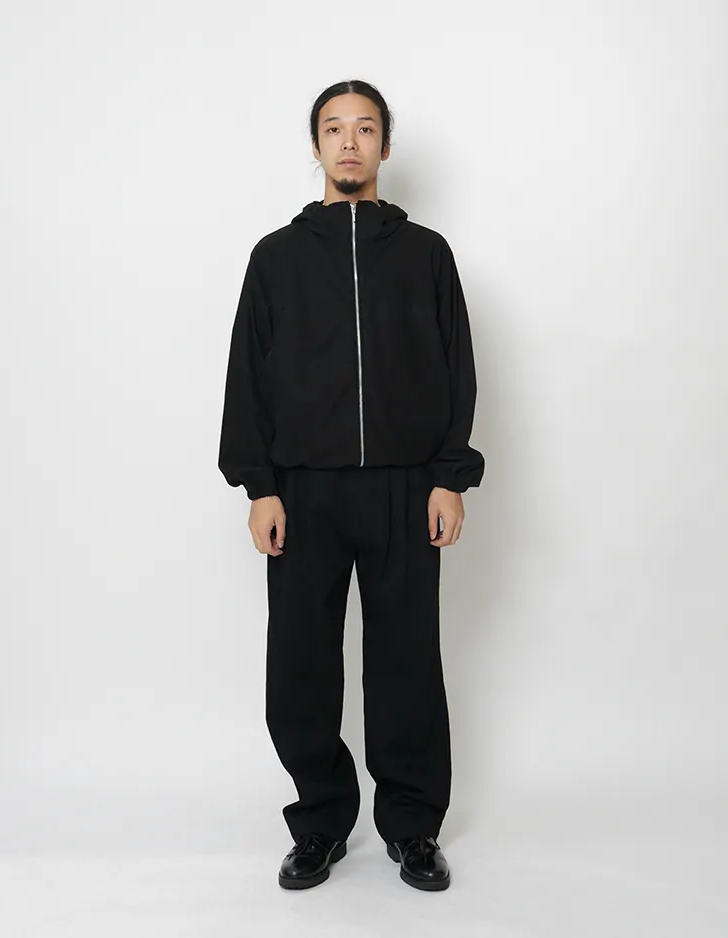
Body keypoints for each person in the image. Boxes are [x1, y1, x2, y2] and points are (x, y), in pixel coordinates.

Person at [218, 79, 485, 892]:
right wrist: (260, 486)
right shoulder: (277, 257)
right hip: (303, 493)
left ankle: (412, 826)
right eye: (333, 128)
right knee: (300, 664)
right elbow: (247, 377)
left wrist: (449, 477)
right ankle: (320, 823)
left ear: (384, 147)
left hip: (406, 489)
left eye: (365, 128)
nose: (348, 141)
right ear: (316, 146)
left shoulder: (426, 254)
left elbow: (457, 368)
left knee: (406, 660)